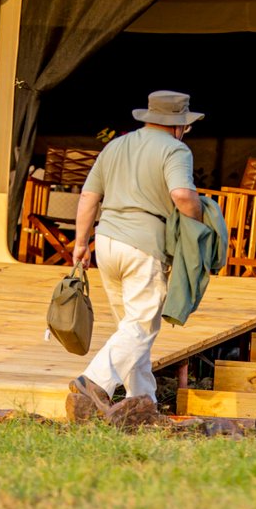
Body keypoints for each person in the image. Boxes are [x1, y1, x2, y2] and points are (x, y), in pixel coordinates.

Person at [68, 90, 204, 415]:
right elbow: (183, 195)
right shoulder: (176, 149)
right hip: (145, 245)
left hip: (107, 242)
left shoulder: (115, 146)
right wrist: (198, 224)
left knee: (130, 329)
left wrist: (80, 243)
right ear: (177, 126)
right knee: (141, 327)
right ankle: (92, 382)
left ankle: (143, 403)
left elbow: (88, 197)